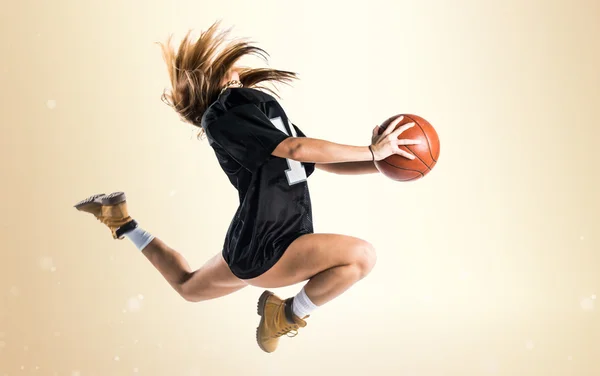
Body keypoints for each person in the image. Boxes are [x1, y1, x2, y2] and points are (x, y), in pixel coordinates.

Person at [74, 22, 420, 353]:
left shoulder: (255, 108)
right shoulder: (225, 112)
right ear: (211, 76)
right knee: (361, 257)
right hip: (271, 244)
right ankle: (285, 314)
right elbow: (296, 150)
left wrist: (380, 163)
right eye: (228, 67)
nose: (236, 66)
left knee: (188, 288)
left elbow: (317, 159)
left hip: (258, 240)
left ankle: (121, 221)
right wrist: (372, 152)